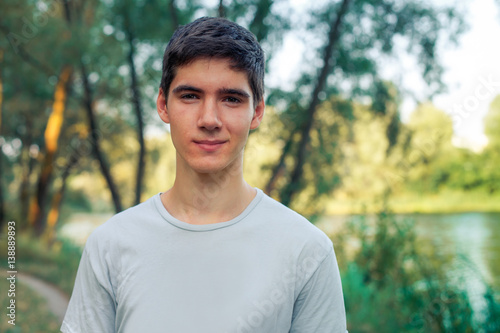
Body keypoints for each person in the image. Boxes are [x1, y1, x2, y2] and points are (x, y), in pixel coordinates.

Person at [61, 16, 347, 333]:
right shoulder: (108, 246)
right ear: (163, 105)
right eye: (190, 96)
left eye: (231, 99)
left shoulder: (307, 251)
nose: (209, 119)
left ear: (257, 112)